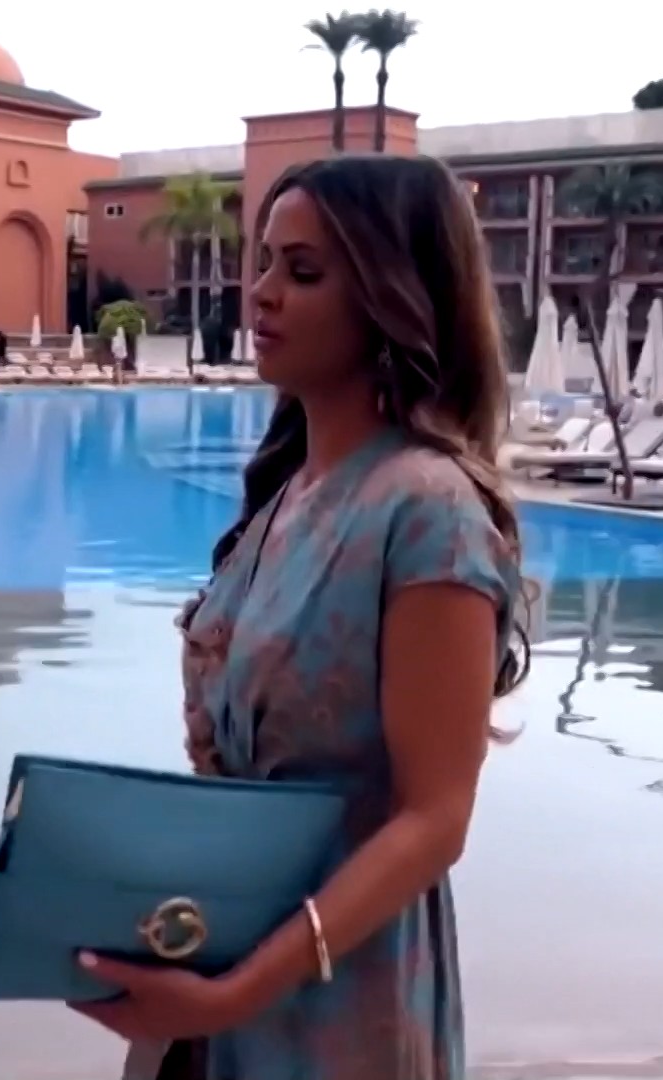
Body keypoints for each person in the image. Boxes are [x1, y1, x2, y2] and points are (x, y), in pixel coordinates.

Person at [68, 155, 533, 1080]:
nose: (263, 293)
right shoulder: (286, 498)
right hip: (221, 966)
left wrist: (240, 992)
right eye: (266, 262)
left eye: (305, 271)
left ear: (392, 298)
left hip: (339, 995)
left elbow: (435, 818)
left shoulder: (428, 512)